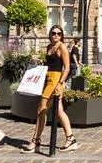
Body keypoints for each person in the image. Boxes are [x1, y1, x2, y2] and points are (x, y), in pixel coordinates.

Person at [21, 25, 77, 153]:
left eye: (58, 33)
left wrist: (60, 83)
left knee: (41, 108)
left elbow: (67, 67)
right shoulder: (49, 47)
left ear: (61, 35)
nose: (55, 35)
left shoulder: (62, 47)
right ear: (50, 34)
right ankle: (71, 139)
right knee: (58, 111)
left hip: (56, 80)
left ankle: (36, 140)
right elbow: (50, 64)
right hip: (48, 78)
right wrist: (39, 61)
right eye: (53, 33)